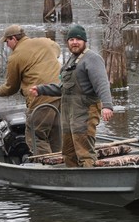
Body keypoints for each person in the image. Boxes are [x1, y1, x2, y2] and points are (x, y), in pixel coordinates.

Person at [30, 24, 113, 167]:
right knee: (68, 152)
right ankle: (74, 182)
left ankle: (91, 181)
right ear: (67, 42)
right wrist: (41, 90)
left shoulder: (92, 58)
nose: (74, 42)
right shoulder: (70, 61)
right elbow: (63, 88)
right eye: (71, 39)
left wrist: (107, 106)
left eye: (78, 39)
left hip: (85, 113)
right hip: (69, 116)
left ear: (84, 41)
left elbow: (102, 84)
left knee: (84, 152)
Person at [0, 24, 62, 156]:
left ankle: (46, 168)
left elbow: (11, 87)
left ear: (13, 39)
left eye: (7, 41)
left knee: (35, 135)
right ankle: (62, 164)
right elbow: (57, 50)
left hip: (41, 99)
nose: (7, 45)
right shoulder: (45, 42)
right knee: (55, 135)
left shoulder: (15, 57)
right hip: (60, 94)